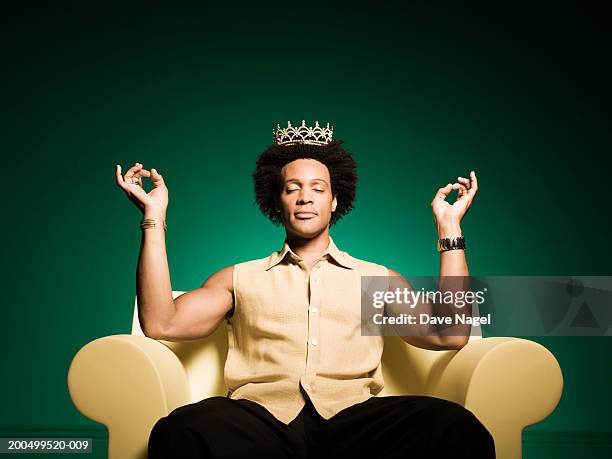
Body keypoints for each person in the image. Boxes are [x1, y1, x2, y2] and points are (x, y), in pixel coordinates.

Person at [114, 120, 495, 458]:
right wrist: (153, 218)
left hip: (355, 425)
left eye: (317, 188)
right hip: (259, 423)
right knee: (180, 430)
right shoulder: (238, 277)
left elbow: (450, 333)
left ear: (334, 201)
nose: (305, 196)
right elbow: (161, 323)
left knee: (454, 427)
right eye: (292, 188)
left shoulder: (376, 279)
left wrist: (450, 229)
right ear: (277, 202)